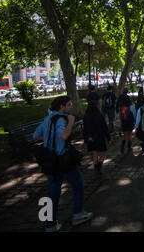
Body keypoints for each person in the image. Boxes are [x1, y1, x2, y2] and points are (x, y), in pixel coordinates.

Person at [33, 96, 93, 232]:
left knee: (53, 194)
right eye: (69, 105)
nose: (70, 107)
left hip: (50, 161)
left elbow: (36, 135)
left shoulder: (47, 119)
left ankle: (50, 225)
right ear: (61, 107)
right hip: (63, 160)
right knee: (78, 185)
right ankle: (78, 214)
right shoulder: (61, 119)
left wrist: (49, 137)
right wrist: (71, 122)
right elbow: (64, 136)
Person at [83, 100, 110, 176]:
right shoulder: (99, 115)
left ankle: (96, 168)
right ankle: (99, 166)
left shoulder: (86, 116)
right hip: (99, 137)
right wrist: (108, 137)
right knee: (103, 154)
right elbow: (104, 127)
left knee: (94, 153)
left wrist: (85, 139)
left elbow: (84, 129)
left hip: (90, 138)